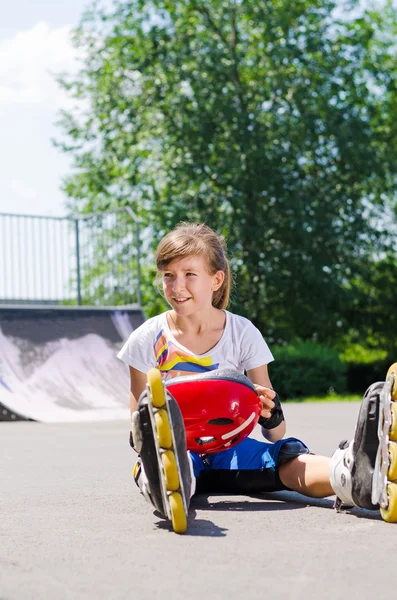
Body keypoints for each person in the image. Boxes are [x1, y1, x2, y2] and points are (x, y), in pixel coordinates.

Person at [117, 222, 396, 530]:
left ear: (216, 279)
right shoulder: (147, 338)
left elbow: (275, 432)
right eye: (168, 276)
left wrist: (271, 415)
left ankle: (355, 475)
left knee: (287, 454)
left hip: (232, 451)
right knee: (154, 461)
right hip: (177, 449)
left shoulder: (242, 333)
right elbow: (137, 431)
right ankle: (164, 481)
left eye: (189, 274)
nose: (176, 286)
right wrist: (154, 445)